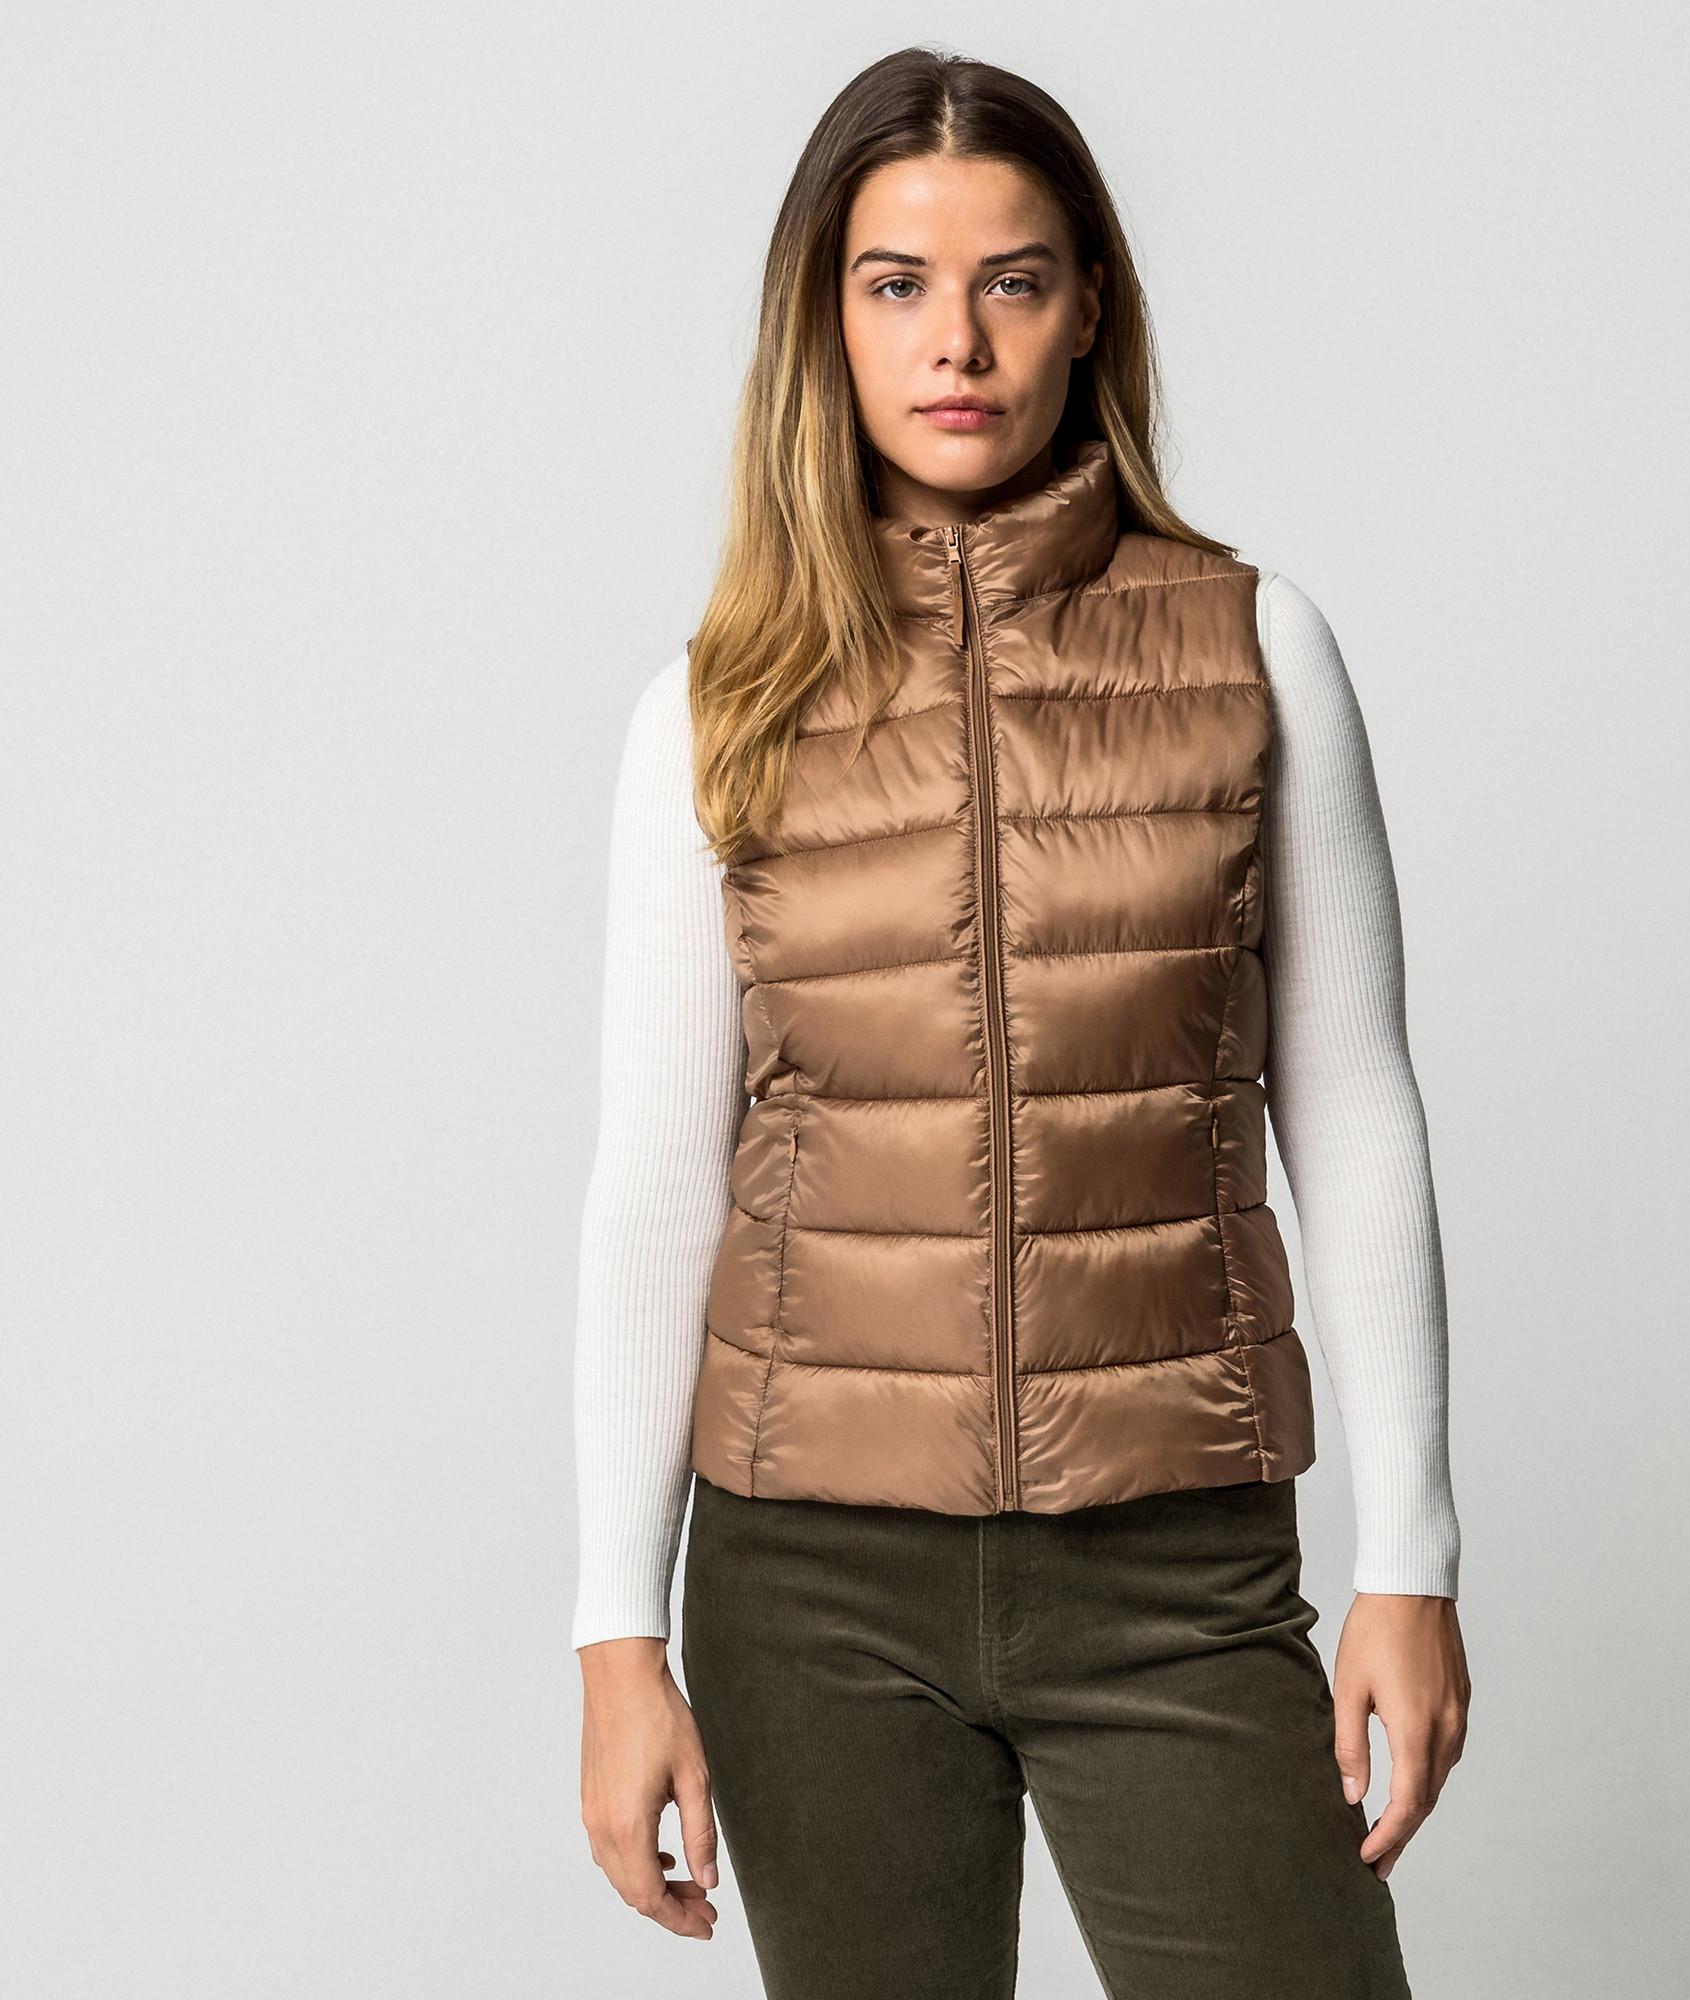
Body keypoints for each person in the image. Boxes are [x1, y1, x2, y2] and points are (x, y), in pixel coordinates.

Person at [572, 45, 1469, 2000]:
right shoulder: (712, 709)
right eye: (896, 282)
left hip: (1172, 1556)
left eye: (1014, 279)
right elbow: (656, 1183)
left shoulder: (1253, 649)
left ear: (1088, 312)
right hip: (809, 1585)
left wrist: (1410, 1561)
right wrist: (613, 1631)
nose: (956, 340)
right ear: (824, 324)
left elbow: (1351, 1111)